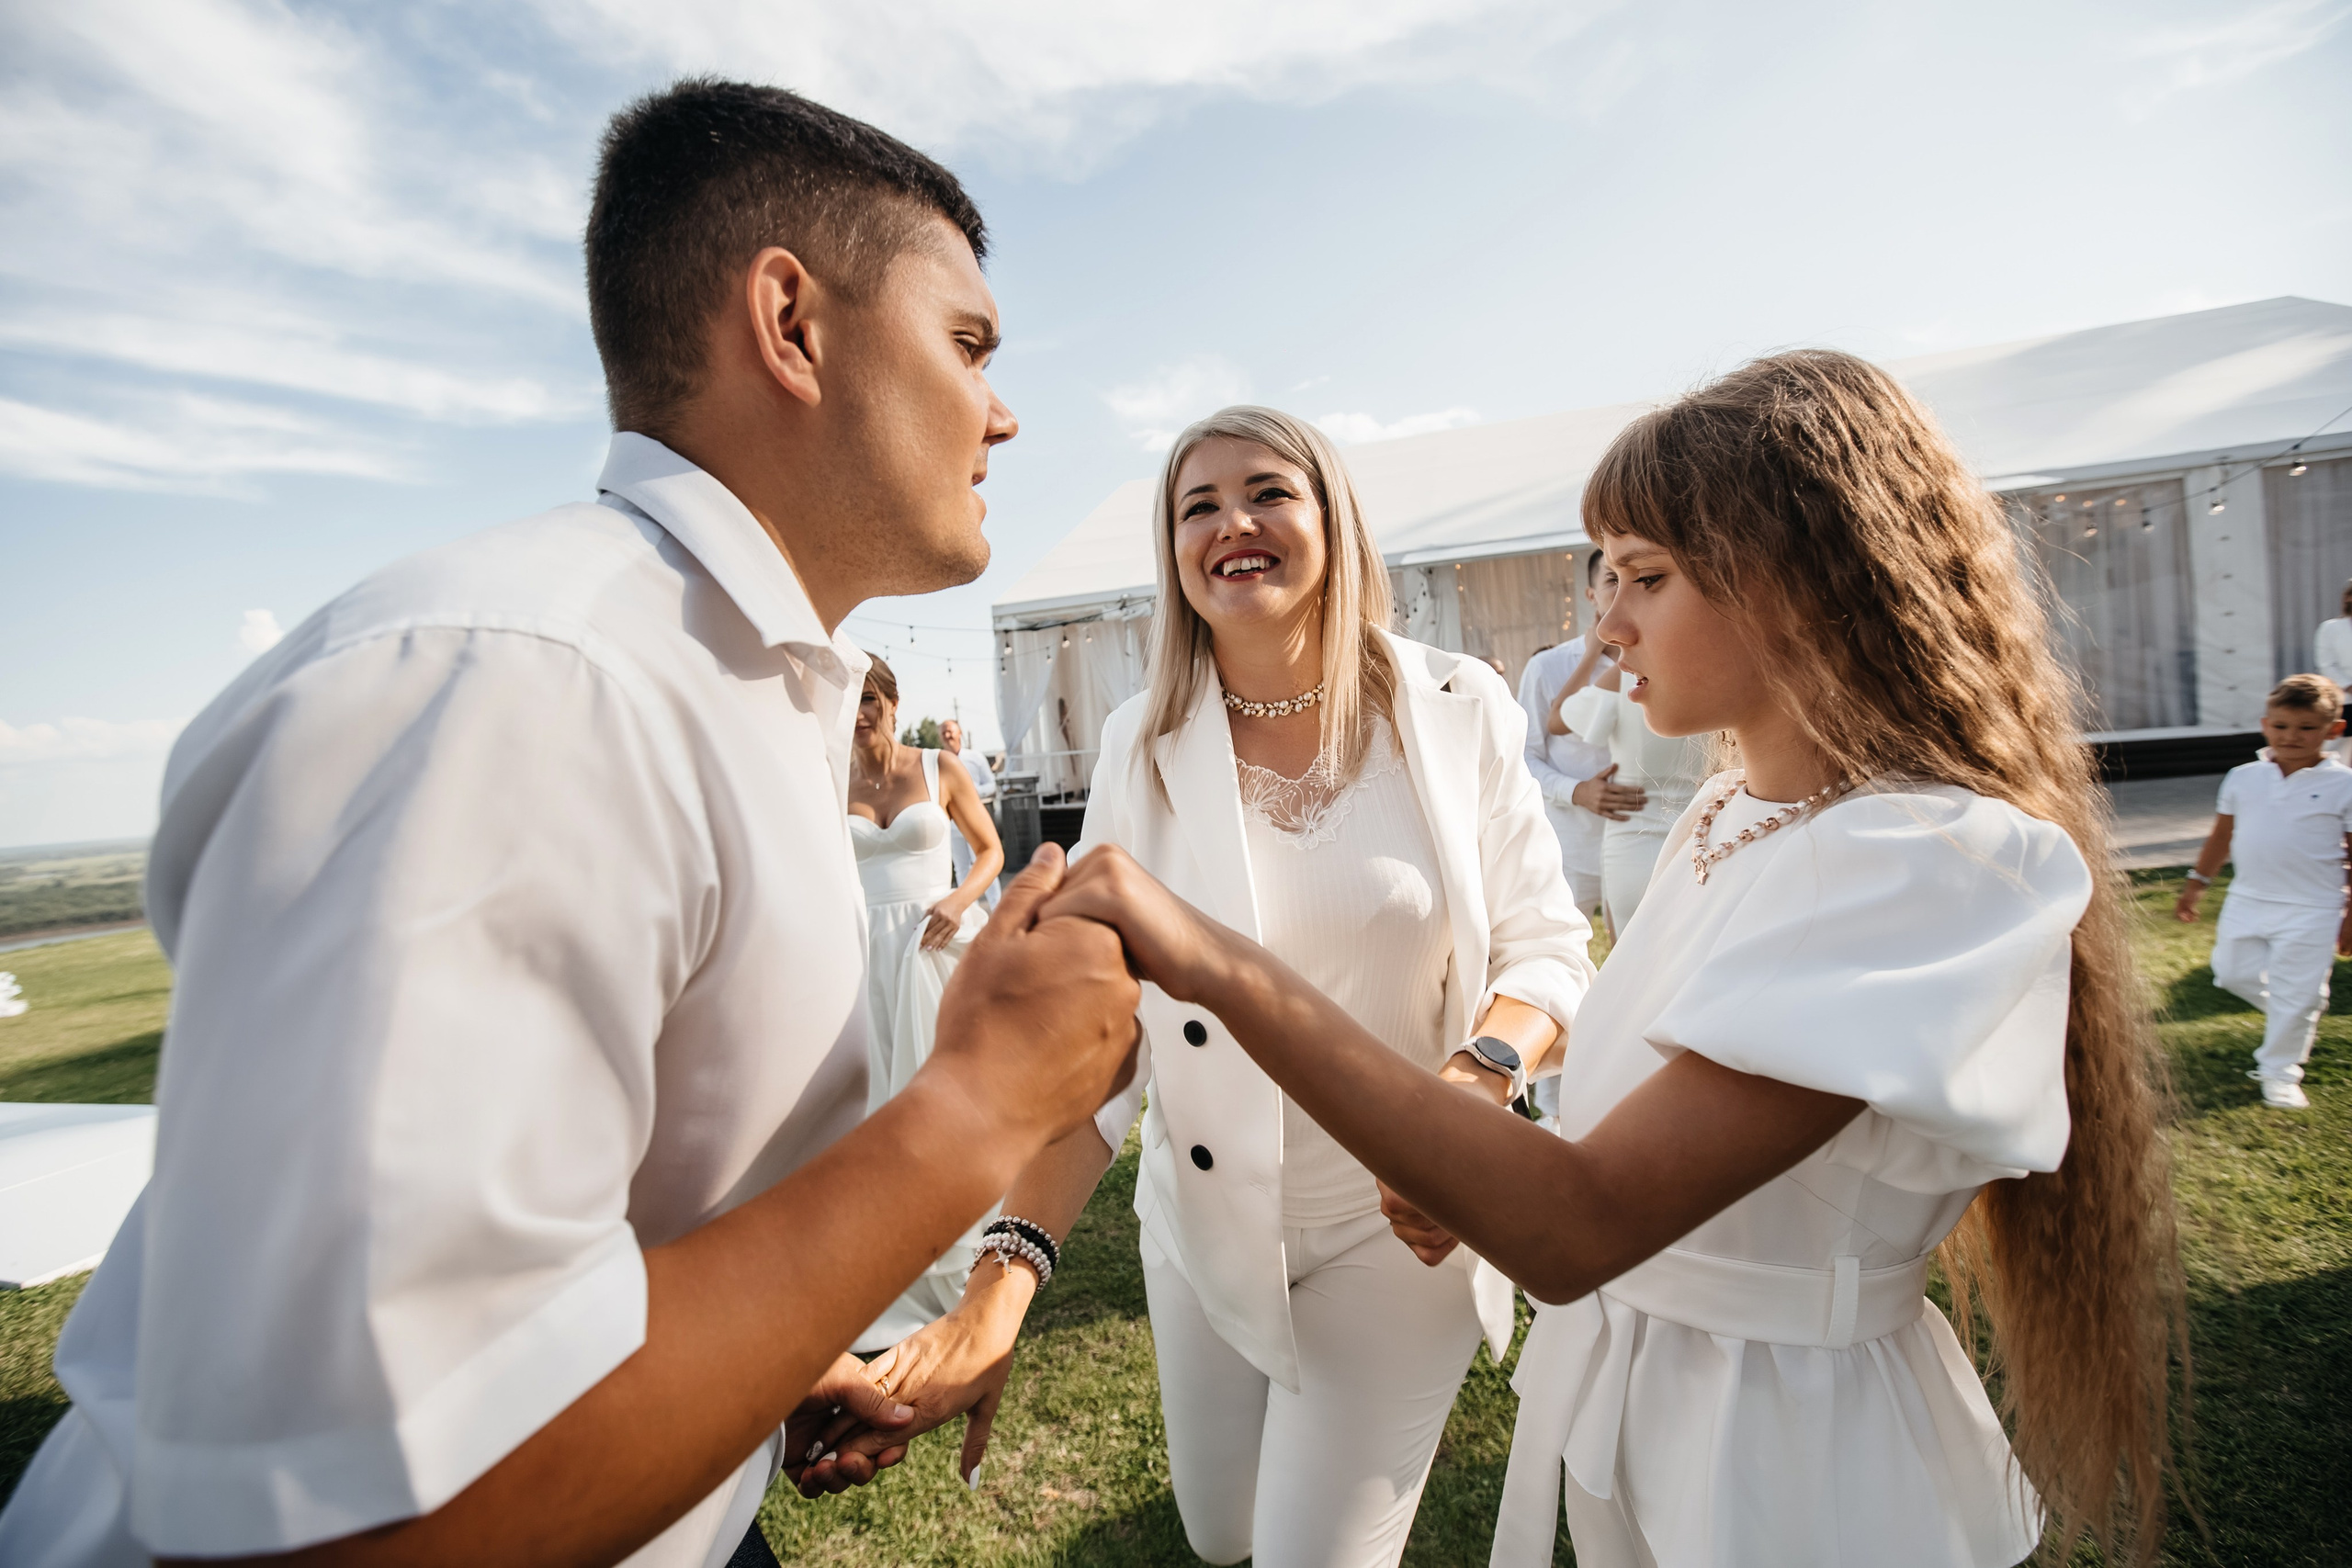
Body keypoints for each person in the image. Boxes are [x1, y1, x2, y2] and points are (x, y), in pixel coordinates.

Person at [0, 81, 1145, 1568]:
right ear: (791, 325)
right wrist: (979, 1106)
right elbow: (351, 1520)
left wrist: (742, 1368)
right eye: (970, 342)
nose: (1002, 408)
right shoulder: (517, 692)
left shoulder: (740, 692)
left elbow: (597, 1215)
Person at [1037, 352, 2185, 1568]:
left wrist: (1222, 967)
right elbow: (1608, 1129)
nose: (1603, 622)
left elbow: (1578, 1212)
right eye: (1605, 572)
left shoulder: (1932, 859)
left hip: (1790, 1458)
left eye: (1644, 574)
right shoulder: (1726, 818)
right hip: (1639, 1421)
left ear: (1798, 579)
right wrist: (1466, 1129)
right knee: (1225, 1530)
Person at [820, 405, 1593, 1567]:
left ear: (1331, 517)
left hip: (1398, 1233)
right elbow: (1101, 1036)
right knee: (1219, 1532)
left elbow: (1548, 945)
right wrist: (1001, 1282)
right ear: (1172, 553)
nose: (1233, 523)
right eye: (1197, 506)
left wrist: (1478, 1081)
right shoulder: (1140, 740)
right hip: (1201, 1231)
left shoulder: (1456, 708)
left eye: (1268, 492)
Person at [849, 656, 1007, 1344]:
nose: (860, 713)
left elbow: (991, 850)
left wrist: (958, 898)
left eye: (871, 700)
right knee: (877, 1106)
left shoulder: (942, 768)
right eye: (849, 701)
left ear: (893, 698)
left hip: (935, 943)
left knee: (948, 1098)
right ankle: (898, 1264)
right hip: (864, 958)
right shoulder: (826, 780)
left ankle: (973, 1248)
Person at [2174, 673, 2352, 1110]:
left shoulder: (2344, 785)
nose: (2292, 736)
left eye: (2307, 728)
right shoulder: (2242, 777)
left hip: (2316, 906)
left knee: (2297, 993)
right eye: (2282, 726)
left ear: (2334, 731)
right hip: (2248, 899)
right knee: (2231, 973)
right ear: (2265, 724)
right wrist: (2198, 884)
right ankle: (2300, 1006)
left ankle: (2280, 1073)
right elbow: (2221, 836)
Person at [1544, 600, 1712, 933]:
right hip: (1705, 834)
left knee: (1632, 963)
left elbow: (1557, 719)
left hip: (1634, 837)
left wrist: (1592, 651)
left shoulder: (1628, 675)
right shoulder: (1714, 665)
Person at [1517, 551, 1646, 925]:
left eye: (1637, 579)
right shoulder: (1548, 666)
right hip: (1569, 847)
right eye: (1611, 579)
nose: (1624, 589)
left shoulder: (1662, 661)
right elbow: (1522, 759)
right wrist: (1577, 791)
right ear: (1590, 594)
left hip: (1641, 835)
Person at [939, 716, 1001, 909]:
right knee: (961, 868)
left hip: (976, 820)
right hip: (952, 825)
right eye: (943, 732)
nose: (947, 735)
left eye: (950, 730)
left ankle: (997, 908)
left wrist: (972, 794)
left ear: (960, 733)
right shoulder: (938, 761)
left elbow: (991, 785)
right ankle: (969, 911)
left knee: (984, 862)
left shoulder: (975, 758)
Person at [2314, 581, 2352, 760]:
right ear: (2348, 597)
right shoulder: (2331, 628)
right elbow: (2327, 664)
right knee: (2336, 750)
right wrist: (2348, 686)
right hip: (2345, 700)